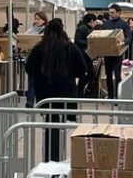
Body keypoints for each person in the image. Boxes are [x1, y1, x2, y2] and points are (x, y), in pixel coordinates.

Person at [25, 19, 90, 162]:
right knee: (62, 126)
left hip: (46, 95)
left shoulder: (39, 48)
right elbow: (82, 69)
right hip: (66, 94)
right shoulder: (70, 47)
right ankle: (60, 159)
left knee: (50, 126)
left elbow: (29, 68)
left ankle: (50, 159)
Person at [100, 4, 132, 99]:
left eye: (113, 12)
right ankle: (110, 96)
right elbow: (101, 35)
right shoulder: (106, 24)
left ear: (119, 12)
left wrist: (123, 43)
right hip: (107, 53)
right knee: (108, 76)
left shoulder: (124, 24)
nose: (111, 14)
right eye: (110, 12)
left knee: (117, 75)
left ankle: (118, 96)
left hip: (118, 53)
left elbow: (128, 37)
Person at [74, 14, 97, 97]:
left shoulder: (85, 28)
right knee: (88, 74)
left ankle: (81, 93)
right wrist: (90, 43)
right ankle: (80, 93)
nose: (95, 23)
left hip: (85, 54)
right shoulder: (83, 28)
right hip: (84, 55)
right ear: (91, 21)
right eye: (94, 21)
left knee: (89, 74)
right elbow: (78, 40)